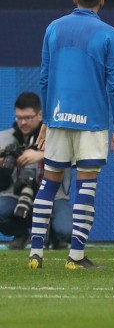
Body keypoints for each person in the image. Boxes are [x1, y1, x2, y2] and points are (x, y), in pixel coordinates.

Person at [27, 0, 114, 270]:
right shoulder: (109, 33)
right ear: (102, 1)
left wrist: (45, 119)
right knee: (86, 185)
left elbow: (44, 77)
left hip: (57, 116)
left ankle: (35, 254)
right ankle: (76, 257)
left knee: (49, 183)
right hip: (92, 120)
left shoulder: (53, 29)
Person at [0, 92, 71, 250]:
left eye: (28, 117)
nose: (23, 122)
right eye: (19, 117)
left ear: (40, 115)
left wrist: (41, 155)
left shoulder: (55, 137)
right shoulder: (4, 139)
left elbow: (72, 156)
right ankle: (21, 234)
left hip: (53, 194)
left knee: (66, 231)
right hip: (16, 195)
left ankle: (54, 234)